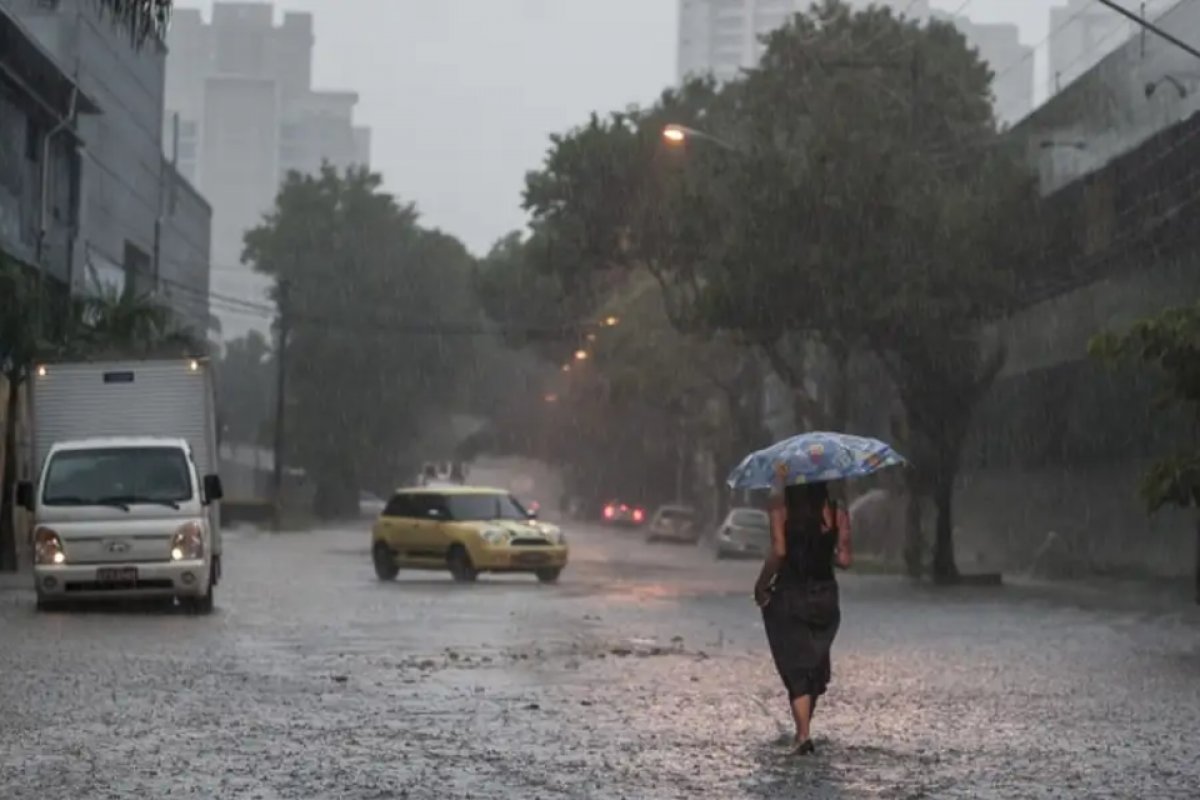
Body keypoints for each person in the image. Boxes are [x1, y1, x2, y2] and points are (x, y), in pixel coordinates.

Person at [754, 479, 853, 756]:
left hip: (791, 594)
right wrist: (822, 550)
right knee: (814, 664)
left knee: (795, 664)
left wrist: (761, 585)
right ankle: (804, 727)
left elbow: (779, 551)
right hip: (825, 596)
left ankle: (802, 735)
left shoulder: (780, 508)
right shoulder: (836, 511)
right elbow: (845, 559)